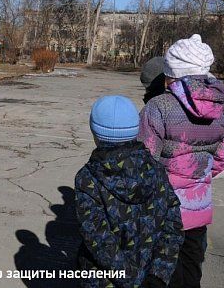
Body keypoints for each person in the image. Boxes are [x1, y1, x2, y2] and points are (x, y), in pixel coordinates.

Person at [138, 34, 224, 288]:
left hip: (162, 212)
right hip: (198, 210)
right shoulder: (221, 112)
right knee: (190, 271)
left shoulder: (158, 107)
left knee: (157, 274)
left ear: (171, 74)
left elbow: (144, 162)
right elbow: (221, 162)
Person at [76, 95, 184, 288]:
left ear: (95, 133)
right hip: (149, 275)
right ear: (135, 131)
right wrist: (158, 275)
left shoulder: (88, 178)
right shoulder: (157, 169)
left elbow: (98, 238)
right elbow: (173, 225)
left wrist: (130, 281)